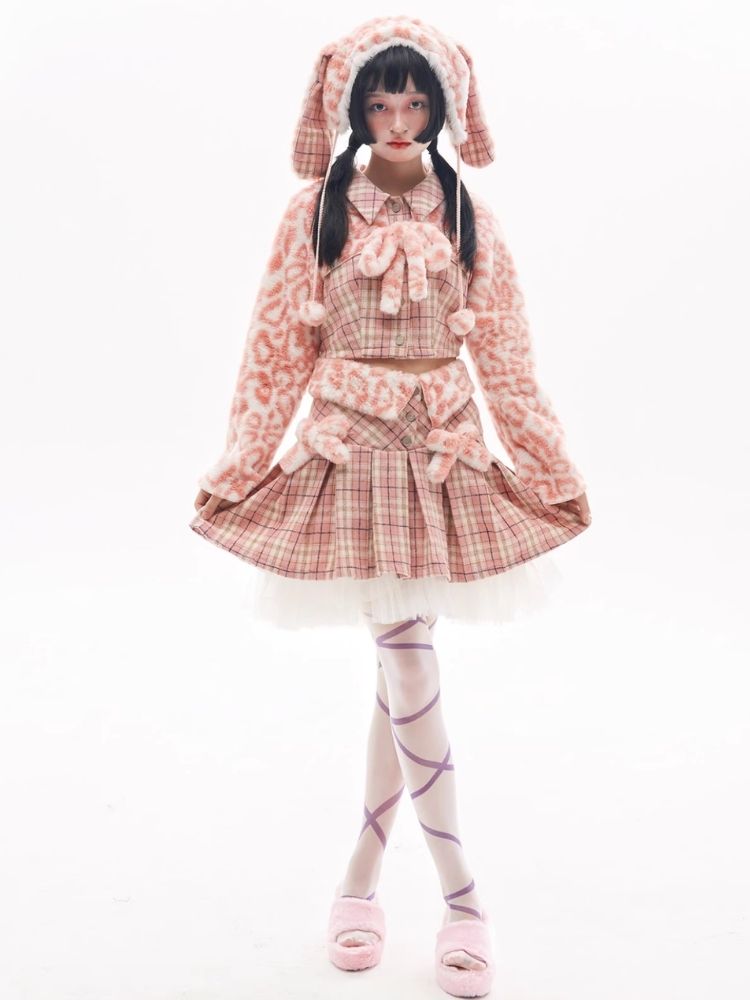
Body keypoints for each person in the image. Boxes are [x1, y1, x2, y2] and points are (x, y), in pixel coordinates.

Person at [188, 16, 592, 997]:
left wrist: (544, 461)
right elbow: (275, 348)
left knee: (397, 669)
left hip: (441, 454)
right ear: (350, 109)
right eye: (379, 102)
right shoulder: (314, 213)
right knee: (408, 656)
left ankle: (359, 882)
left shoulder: (468, 214)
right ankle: (464, 897)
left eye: (416, 101)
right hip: (351, 452)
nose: (399, 119)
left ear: (444, 106)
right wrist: (244, 461)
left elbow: (506, 352)